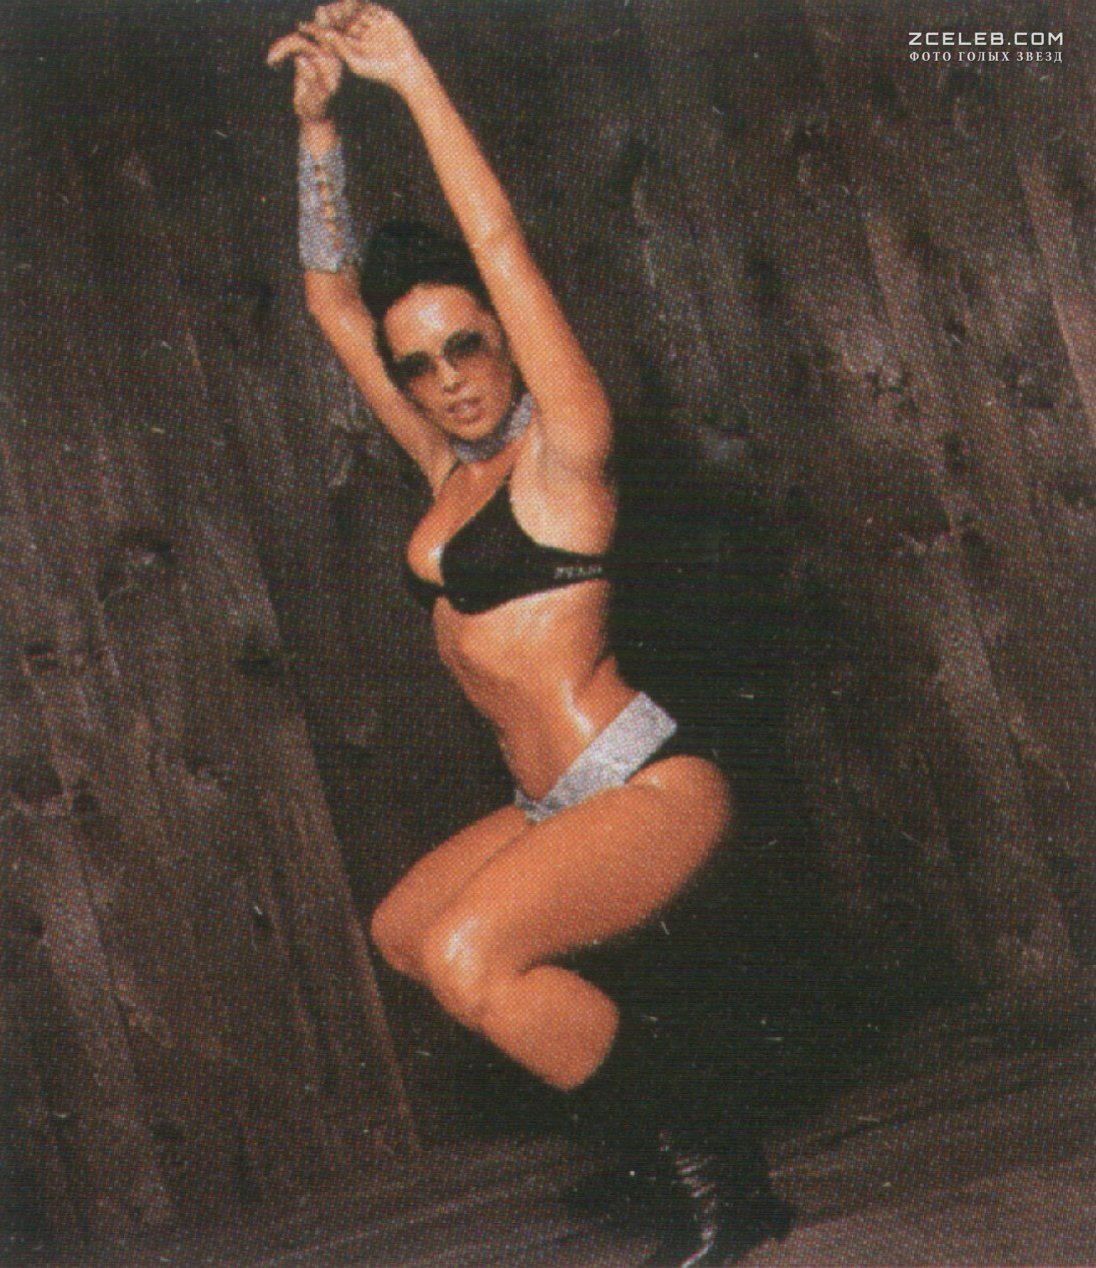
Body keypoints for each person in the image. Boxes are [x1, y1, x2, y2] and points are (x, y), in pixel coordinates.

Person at [268, 6, 793, 1262]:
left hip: (647, 784)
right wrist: (321, 131)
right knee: (408, 932)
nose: (449, 377)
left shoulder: (567, 451)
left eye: (467, 345)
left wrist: (410, 78)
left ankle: (720, 1177)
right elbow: (333, 302)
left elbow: (497, 242)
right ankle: (664, 1133)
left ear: (506, 339)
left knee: (470, 957)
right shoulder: (444, 467)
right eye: (421, 365)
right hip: (546, 799)